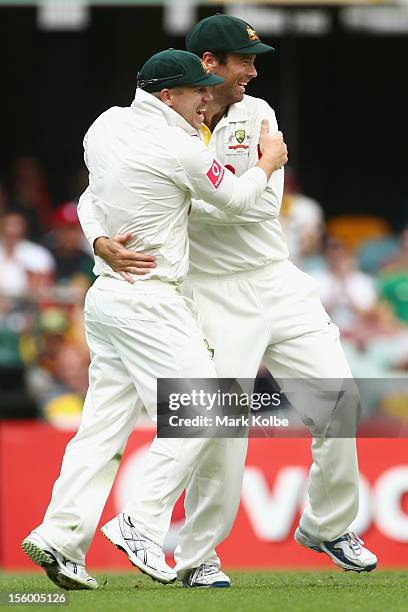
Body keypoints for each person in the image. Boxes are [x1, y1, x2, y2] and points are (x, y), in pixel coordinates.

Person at [84, 15, 377, 585]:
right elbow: (100, 194)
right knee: (219, 425)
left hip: (276, 278)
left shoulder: (257, 113)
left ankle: (327, 525)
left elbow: (264, 208)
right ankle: (198, 557)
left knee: (342, 401)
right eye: (244, 61)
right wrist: (99, 237)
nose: (254, 70)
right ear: (209, 65)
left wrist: (192, 195)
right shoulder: (161, 127)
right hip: (209, 291)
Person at [21, 48, 288, 590]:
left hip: (106, 298)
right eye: (197, 94)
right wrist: (268, 162)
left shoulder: (105, 126)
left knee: (101, 429)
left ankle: (59, 535)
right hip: (152, 298)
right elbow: (238, 199)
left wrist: (97, 240)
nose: (206, 102)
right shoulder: (180, 145)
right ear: (168, 96)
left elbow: (88, 197)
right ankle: (140, 521)